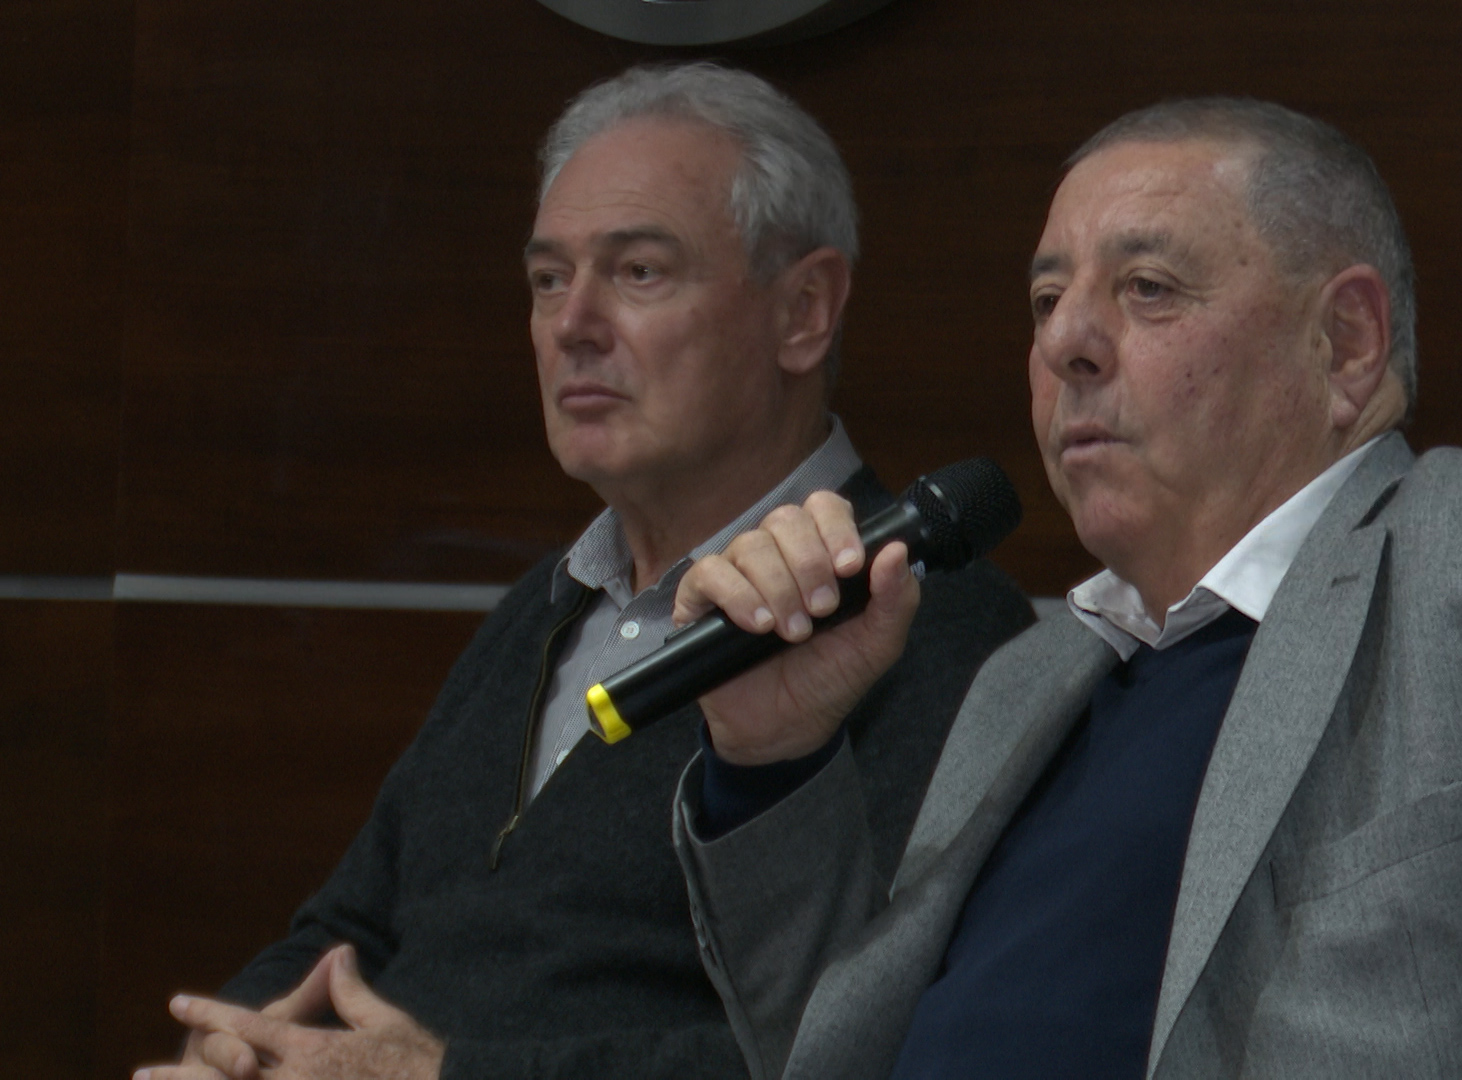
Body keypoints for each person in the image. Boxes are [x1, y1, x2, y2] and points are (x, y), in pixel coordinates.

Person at [669, 98, 1462, 1079]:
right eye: (1046, 300)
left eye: (1146, 289)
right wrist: (771, 760)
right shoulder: (1028, 677)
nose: (1065, 343)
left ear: (1346, 343)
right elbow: (840, 1052)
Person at [139, 62, 1033, 1080]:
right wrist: (236, 1046)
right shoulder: (545, 605)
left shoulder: (935, 628)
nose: (572, 325)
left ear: (804, 310)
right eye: (548, 280)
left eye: (638, 271)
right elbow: (348, 929)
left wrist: (445, 1077)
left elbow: (870, 1046)